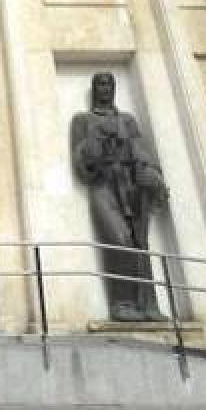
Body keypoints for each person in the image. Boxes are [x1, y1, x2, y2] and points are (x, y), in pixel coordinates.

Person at [70, 71, 170, 322]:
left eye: (109, 84)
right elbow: (80, 156)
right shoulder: (82, 120)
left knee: (140, 244)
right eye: (100, 84)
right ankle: (122, 303)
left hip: (131, 183)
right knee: (119, 240)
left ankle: (148, 305)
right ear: (94, 88)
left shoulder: (128, 120)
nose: (105, 88)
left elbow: (141, 151)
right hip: (103, 183)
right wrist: (97, 141)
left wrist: (151, 174)